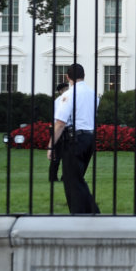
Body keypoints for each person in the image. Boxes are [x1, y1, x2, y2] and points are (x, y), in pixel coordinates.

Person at [47, 64, 100, 214]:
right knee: (76, 179)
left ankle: (87, 212)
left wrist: (51, 145)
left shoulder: (68, 95)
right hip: (89, 138)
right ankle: (84, 212)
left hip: (74, 140)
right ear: (83, 75)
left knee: (72, 181)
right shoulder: (93, 94)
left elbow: (60, 123)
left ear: (68, 77)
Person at [48, 82, 69, 182]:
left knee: (65, 155)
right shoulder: (59, 101)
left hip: (62, 127)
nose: (67, 90)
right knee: (56, 154)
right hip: (58, 128)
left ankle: (63, 176)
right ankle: (53, 176)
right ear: (60, 91)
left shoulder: (64, 99)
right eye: (65, 89)